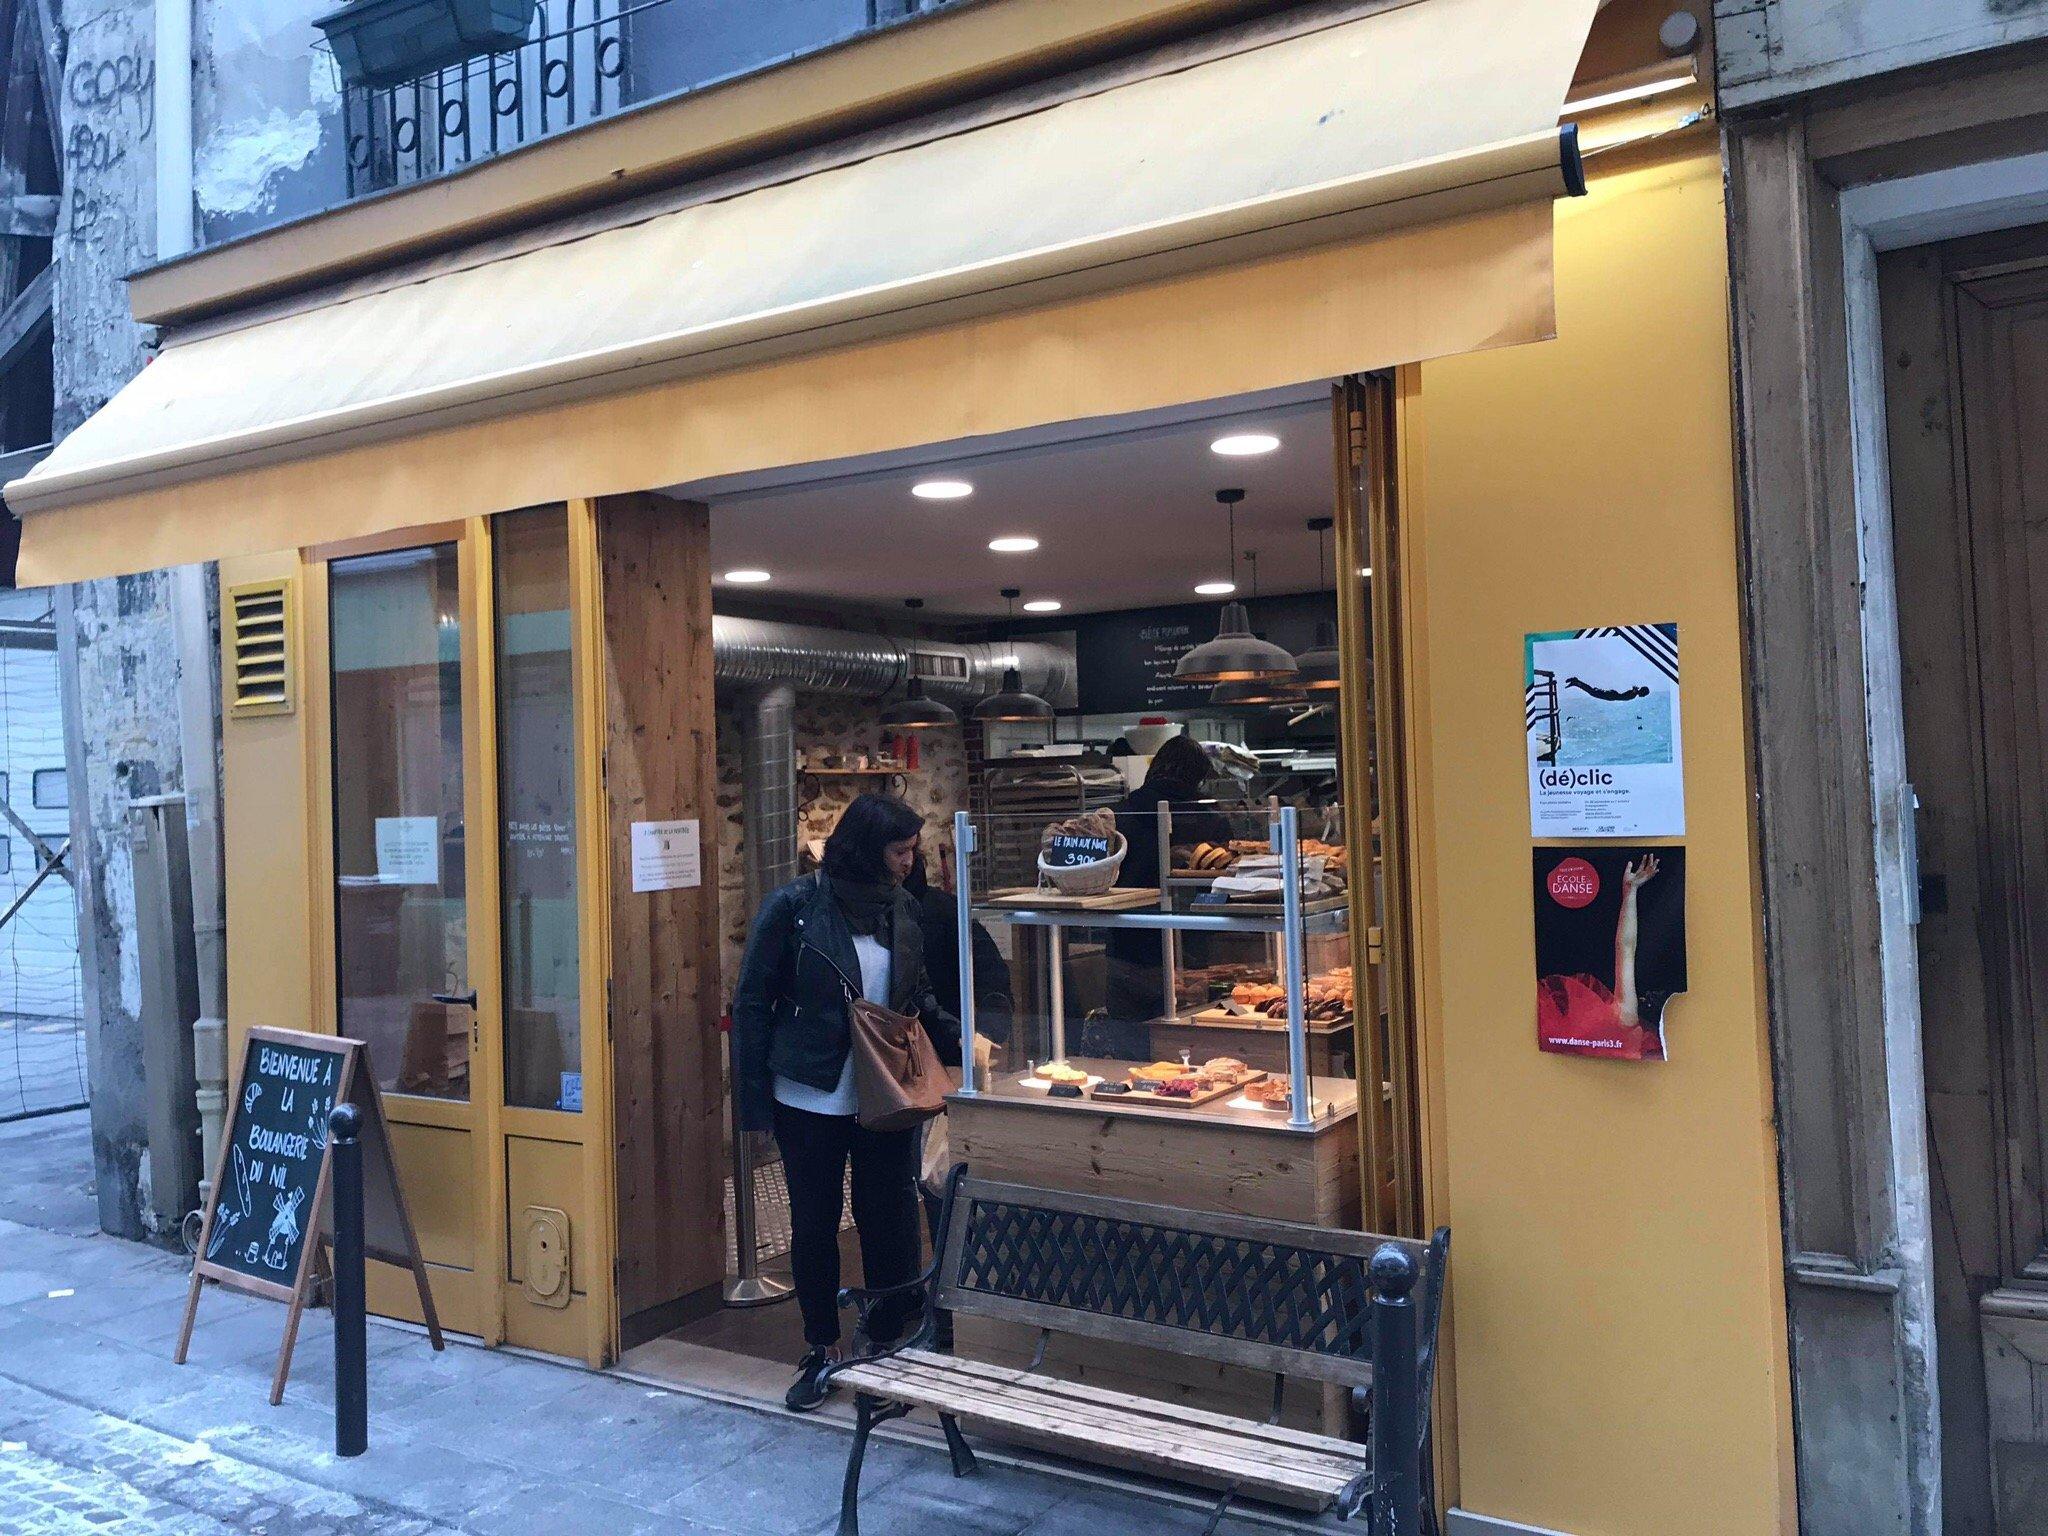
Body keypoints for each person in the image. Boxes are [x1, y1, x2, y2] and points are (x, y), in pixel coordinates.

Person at [731, 793, 958, 1411]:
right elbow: (751, 1004)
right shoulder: (794, 907)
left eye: (912, 849)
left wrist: (964, 1040)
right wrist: (751, 1109)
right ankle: (820, 1347)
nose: (910, 861)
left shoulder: (903, 910)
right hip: (809, 1091)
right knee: (813, 1224)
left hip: (888, 1092)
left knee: (889, 1220)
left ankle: (885, 1346)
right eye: (900, 850)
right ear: (866, 848)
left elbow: (918, 995)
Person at [1093, 732, 1231, 1057]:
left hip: (1125, 952)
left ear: (1155, 768)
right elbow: (1224, 888)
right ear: (1197, 776)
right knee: (1187, 1056)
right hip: (1189, 958)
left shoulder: (1119, 816)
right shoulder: (1210, 820)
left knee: (1130, 1056)